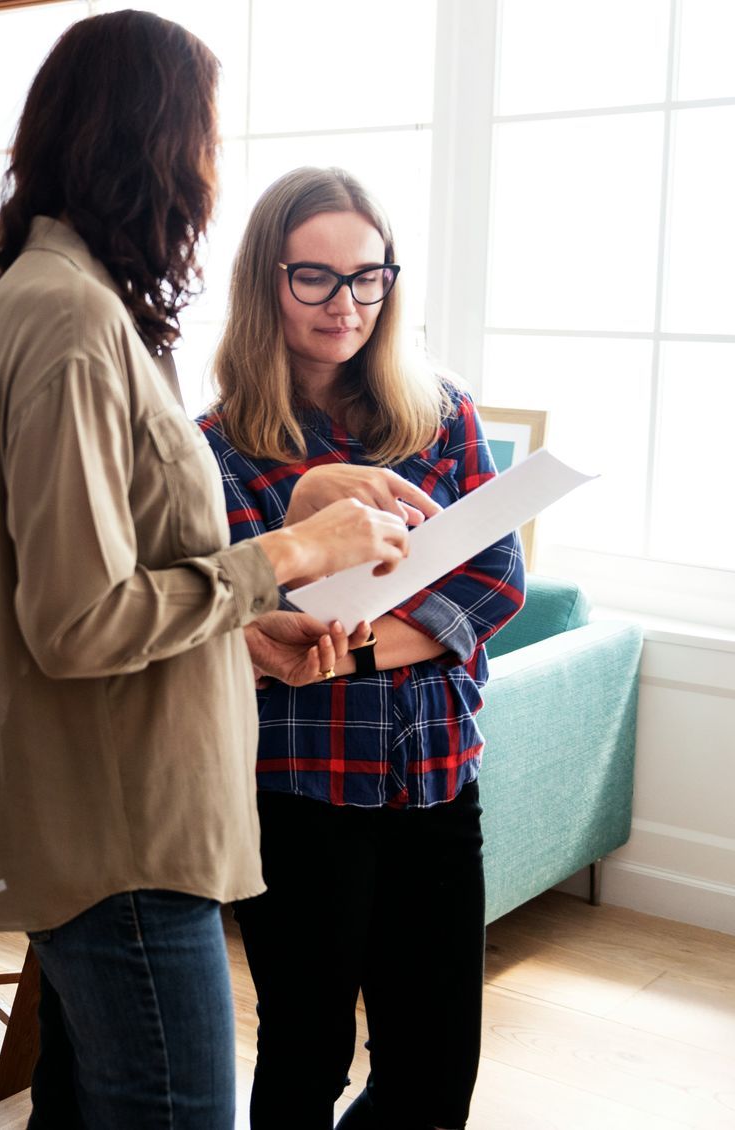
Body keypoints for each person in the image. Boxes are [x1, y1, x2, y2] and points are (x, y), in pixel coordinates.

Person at [0, 13, 413, 1128]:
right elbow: (76, 620)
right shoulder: (68, 319)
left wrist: (240, 634)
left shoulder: (67, 301)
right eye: (203, 137)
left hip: (119, 813)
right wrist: (296, 551)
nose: (210, 172)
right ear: (149, 142)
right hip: (123, 838)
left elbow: (117, 575)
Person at [201, 166, 525, 1130]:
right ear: (267, 280)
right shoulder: (215, 447)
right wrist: (294, 626)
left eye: (368, 277)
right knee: (303, 1054)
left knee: (434, 1070)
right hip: (299, 793)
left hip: (438, 779)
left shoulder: (442, 414)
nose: (346, 303)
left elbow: (497, 577)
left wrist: (368, 649)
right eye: (316, 277)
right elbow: (234, 615)